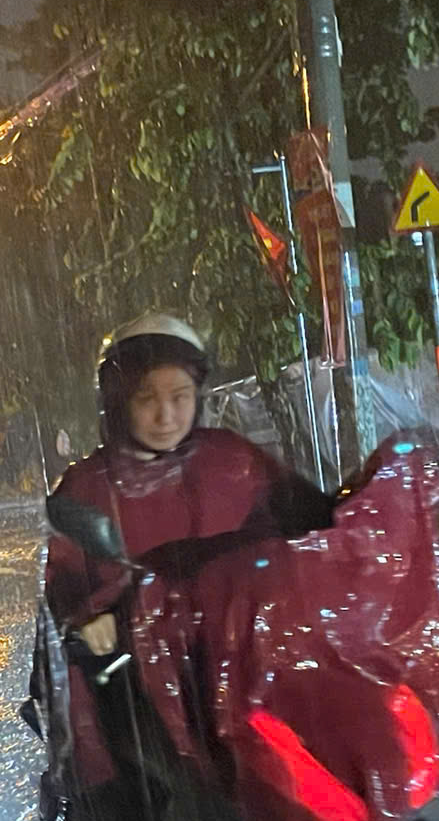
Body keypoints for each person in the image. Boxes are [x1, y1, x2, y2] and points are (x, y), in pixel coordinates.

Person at [43, 314, 320, 793]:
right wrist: (89, 616)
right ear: (118, 403)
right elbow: (63, 575)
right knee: (128, 777)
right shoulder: (87, 486)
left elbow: (302, 514)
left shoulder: (233, 460)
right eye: (146, 398)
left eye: (180, 397)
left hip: (239, 656)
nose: (166, 415)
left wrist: (350, 526)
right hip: (136, 677)